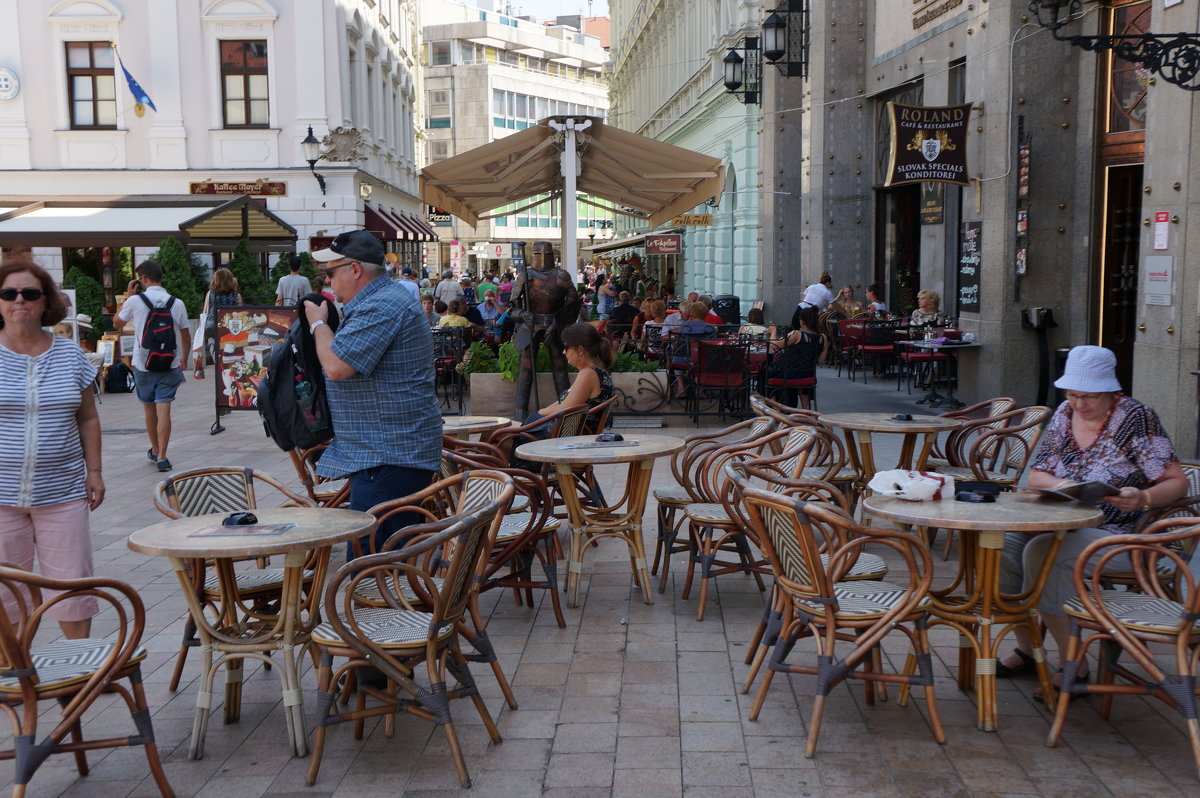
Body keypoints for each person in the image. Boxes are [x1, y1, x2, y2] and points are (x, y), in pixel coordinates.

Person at [997, 346, 1187, 697]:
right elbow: (1037, 477)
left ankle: (1074, 664)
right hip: (1061, 521)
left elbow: (1177, 481)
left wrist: (1142, 498)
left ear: (1112, 390)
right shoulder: (1064, 415)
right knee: (1003, 544)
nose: (1080, 404)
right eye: (1072, 394)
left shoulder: (1136, 419)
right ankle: (1028, 648)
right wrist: (1064, 486)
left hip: (1123, 535)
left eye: (1089, 396)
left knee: (1042, 552)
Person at [304, 230, 441, 558]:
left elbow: (337, 366)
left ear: (355, 270)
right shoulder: (381, 300)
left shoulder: (381, 305)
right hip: (386, 450)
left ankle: (373, 610)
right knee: (385, 557)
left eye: (331, 273)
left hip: (388, 454)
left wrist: (317, 325)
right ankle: (385, 606)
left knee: (370, 562)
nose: (328, 283)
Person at [0, 260, 103, 639]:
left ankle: (77, 673)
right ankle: (16, 676)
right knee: (6, 592)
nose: (19, 300)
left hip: (62, 492)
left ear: (46, 302)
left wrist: (95, 472)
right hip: (2, 496)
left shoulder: (70, 354)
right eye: (9, 294)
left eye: (30, 293)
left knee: (71, 584)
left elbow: (88, 418)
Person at [116, 260, 191, 473]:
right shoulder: (177, 303)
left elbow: (116, 323)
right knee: (164, 407)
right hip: (169, 362)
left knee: (149, 408)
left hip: (143, 364)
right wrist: (184, 358)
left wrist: (129, 297)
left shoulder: (135, 301)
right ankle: (163, 457)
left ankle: (156, 449)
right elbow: (185, 336)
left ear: (143, 279)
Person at [508, 241, 579, 417]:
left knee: (560, 365)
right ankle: (520, 410)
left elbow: (572, 304)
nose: (542, 258)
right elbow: (513, 308)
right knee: (525, 367)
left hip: (555, 324)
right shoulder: (526, 275)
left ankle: (566, 407)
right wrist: (523, 315)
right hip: (530, 324)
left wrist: (558, 322)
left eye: (546, 254)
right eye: (538, 254)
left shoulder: (562, 276)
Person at [768, 305, 827, 409]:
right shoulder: (823, 338)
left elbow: (773, 345)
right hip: (808, 376)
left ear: (801, 322)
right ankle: (805, 410)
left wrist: (773, 331)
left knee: (763, 374)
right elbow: (821, 360)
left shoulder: (797, 334)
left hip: (786, 374)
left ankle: (775, 407)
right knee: (801, 377)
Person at [195, 267, 241, 379]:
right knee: (232, 364)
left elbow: (205, 314)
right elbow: (240, 317)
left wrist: (200, 334)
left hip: (214, 334)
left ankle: (222, 387)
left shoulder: (210, 294)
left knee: (219, 364)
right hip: (232, 336)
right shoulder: (236, 296)